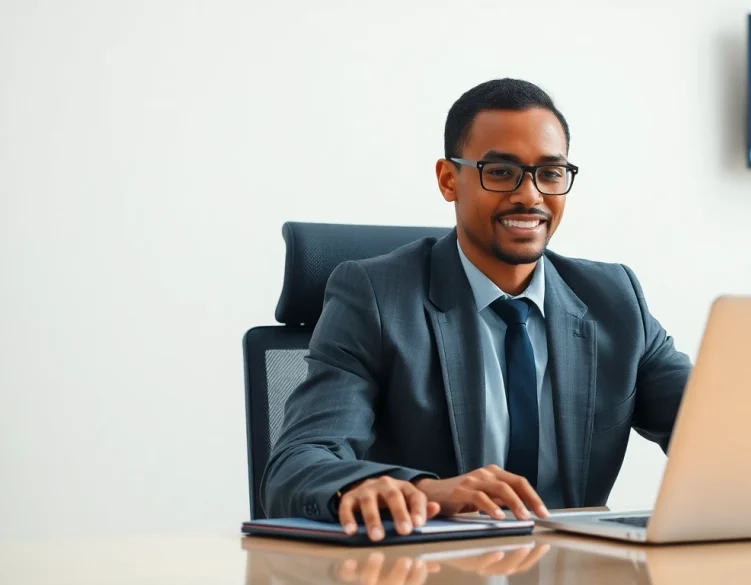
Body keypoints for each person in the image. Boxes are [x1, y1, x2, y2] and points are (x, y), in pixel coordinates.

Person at [261, 78, 692, 542]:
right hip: (431, 569)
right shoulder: (375, 298)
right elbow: (297, 464)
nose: (530, 195)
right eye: (501, 172)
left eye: (550, 173)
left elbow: (711, 427)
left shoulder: (615, 300)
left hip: (574, 567)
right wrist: (425, 491)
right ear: (449, 180)